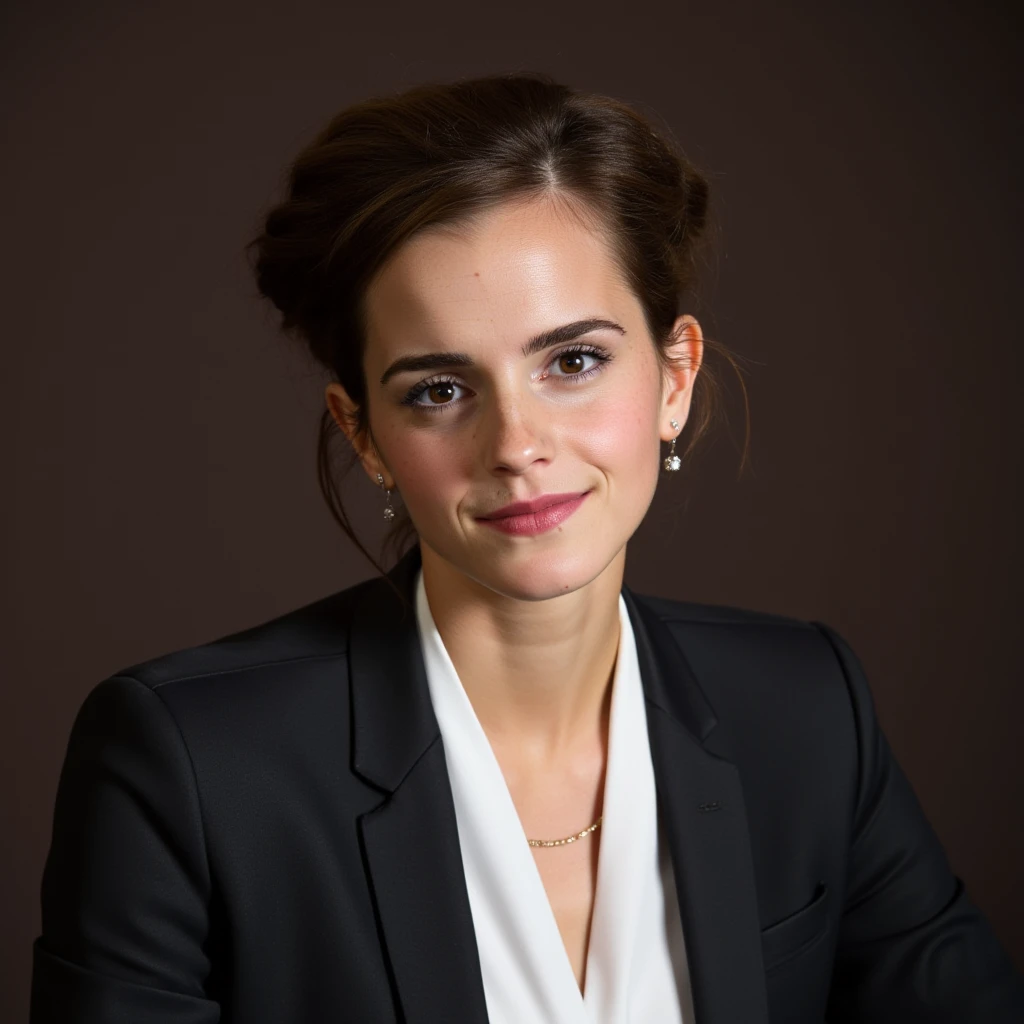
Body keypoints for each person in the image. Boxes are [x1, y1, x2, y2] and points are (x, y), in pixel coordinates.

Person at [29, 72, 1023, 1024]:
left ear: (674, 377)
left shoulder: (806, 709)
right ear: (364, 433)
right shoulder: (189, 763)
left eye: (574, 361)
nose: (515, 445)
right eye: (438, 389)